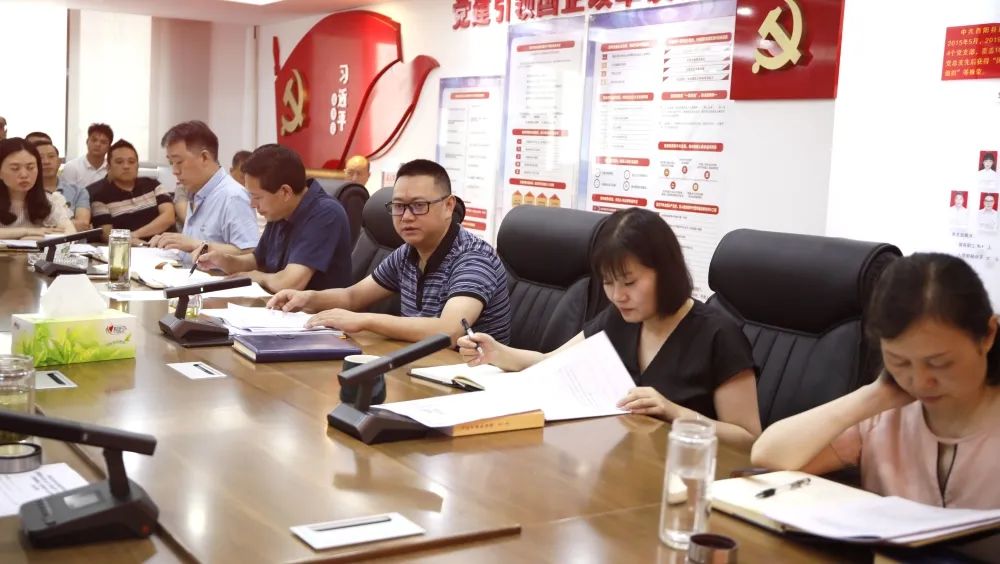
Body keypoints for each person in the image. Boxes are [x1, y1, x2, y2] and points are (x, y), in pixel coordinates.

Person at [457, 207, 761, 450]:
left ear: (666, 272)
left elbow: (748, 438)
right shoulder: (620, 318)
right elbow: (552, 362)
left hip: (688, 475)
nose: (617, 296)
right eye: (608, 282)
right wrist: (498, 353)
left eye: (629, 282)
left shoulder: (718, 335)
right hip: (628, 463)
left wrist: (674, 412)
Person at [752, 253, 1000, 509]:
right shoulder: (887, 414)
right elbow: (769, 456)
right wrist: (875, 395)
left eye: (939, 363)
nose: (919, 382)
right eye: (899, 362)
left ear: (988, 335)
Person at [268, 159, 511, 344]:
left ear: (448, 206)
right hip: (421, 366)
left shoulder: (473, 257)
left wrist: (364, 320)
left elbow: (449, 330)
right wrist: (308, 298)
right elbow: (353, 297)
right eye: (398, 206)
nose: (406, 216)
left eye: (418, 206)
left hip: (471, 378)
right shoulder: (407, 253)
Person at [197, 144, 352, 292]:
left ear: (285, 192)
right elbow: (257, 261)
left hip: (315, 309)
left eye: (257, 197)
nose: (252, 204)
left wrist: (256, 277)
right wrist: (224, 260)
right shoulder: (279, 210)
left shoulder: (326, 213)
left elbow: (290, 283)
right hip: (278, 304)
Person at [149, 121, 259, 260]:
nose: (175, 171)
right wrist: (172, 242)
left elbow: (250, 253)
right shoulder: (196, 191)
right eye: (171, 163)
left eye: (179, 162)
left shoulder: (233, 196)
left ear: (204, 157)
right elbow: (192, 248)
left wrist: (197, 245)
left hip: (211, 275)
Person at [90, 140, 175, 242]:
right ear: (108, 167)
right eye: (119, 162)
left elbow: (169, 217)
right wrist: (143, 245)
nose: (126, 166)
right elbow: (107, 235)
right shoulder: (100, 198)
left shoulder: (153, 184)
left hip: (169, 245)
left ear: (137, 165)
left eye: (131, 162)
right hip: (132, 249)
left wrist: (134, 235)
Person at [0, 138, 75, 239]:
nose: (24, 175)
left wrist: (35, 238)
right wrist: (27, 232)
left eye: (30, 168)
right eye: (15, 168)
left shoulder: (50, 201)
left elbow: (70, 233)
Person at [34, 138, 91, 231]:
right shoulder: (27, 192)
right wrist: (68, 224)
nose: (46, 162)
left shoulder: (78, 191)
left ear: (59, 162)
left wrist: (44, 226)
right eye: (40, 158)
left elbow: (83, 224)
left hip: (75, 240)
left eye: (51, 156)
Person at [62, 123, 112, 191]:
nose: (98, 144)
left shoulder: (112, 168)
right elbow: (69, 195)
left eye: (103, 142)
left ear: (109, 147)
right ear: (87, 142)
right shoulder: (72, 166)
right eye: (94, 140)